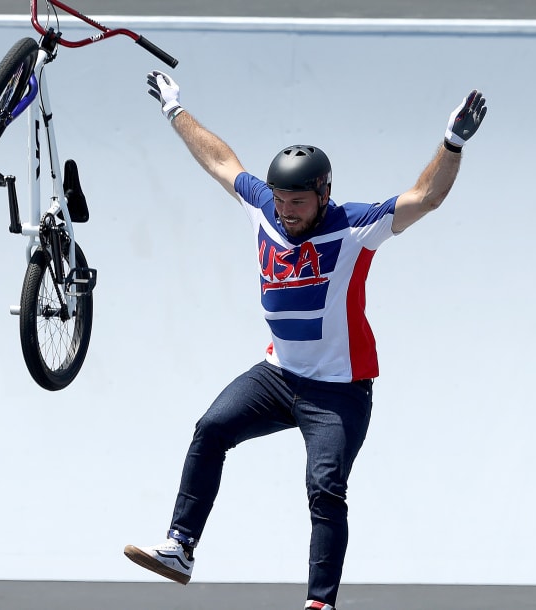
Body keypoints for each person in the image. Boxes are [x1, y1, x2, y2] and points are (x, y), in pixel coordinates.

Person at [124, 70, 487, 610]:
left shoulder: (354, 226)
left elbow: (425, 198)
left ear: (322, 194)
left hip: (339, 392)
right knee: (210, 429)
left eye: (297, 201)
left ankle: (320, 603)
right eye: (280, 199)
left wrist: (452, 143)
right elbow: (223, 162)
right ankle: (180, 548)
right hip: (277, 375)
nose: (286, 211)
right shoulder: (264, 208)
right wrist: (175, 110)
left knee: (325, 488)